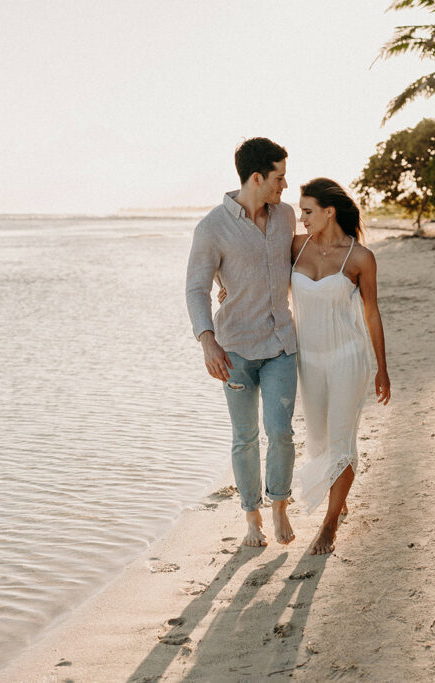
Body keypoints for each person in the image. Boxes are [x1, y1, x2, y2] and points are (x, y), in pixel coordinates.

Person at [185, 137, 298, 548]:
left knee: (281, 431)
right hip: (233, 349)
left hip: (282, 343)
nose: (285, 185)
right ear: (257, 177)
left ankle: (280, 505)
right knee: (245, 436)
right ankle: (252, 518)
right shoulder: (212, 227)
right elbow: (196, 288)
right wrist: (207, 342)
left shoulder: (286, 216)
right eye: (279, 177)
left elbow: (304, 259)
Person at [291, 177, 390, 555]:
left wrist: (382, 368)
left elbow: (372, 312)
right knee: (318, 441)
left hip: (349, 357)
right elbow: (255, 270)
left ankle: (329, 526)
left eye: (308, 211)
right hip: (308, 360)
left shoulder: (360, 257)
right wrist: (224, 285)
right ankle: (338, 499)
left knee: (342, 439)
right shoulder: (296, 249)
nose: (302, 219)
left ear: (328, 212)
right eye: (301, 211)